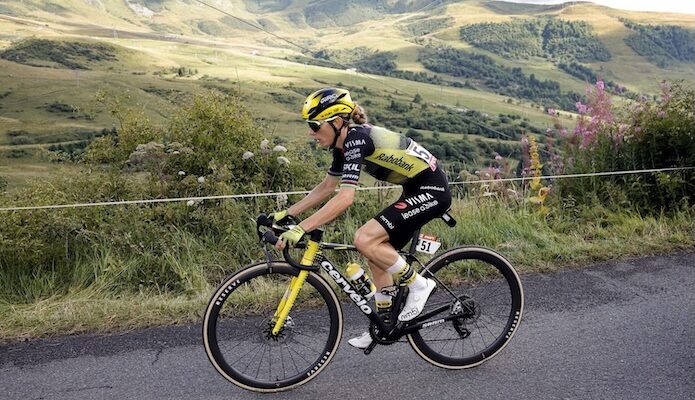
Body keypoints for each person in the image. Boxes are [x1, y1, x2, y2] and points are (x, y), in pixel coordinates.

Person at [273, 87, 452, 349]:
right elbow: (327, 187)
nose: (311, 133)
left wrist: (302, 227)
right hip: (414, 189)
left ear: (337, 122)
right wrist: (288, 213)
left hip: (432, 190)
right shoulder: (342, 145)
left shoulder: (356, 139)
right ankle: (384, 323)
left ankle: (419, 285)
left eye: (314, 125)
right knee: (375, 251)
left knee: (364, 239)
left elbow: (345, 198)